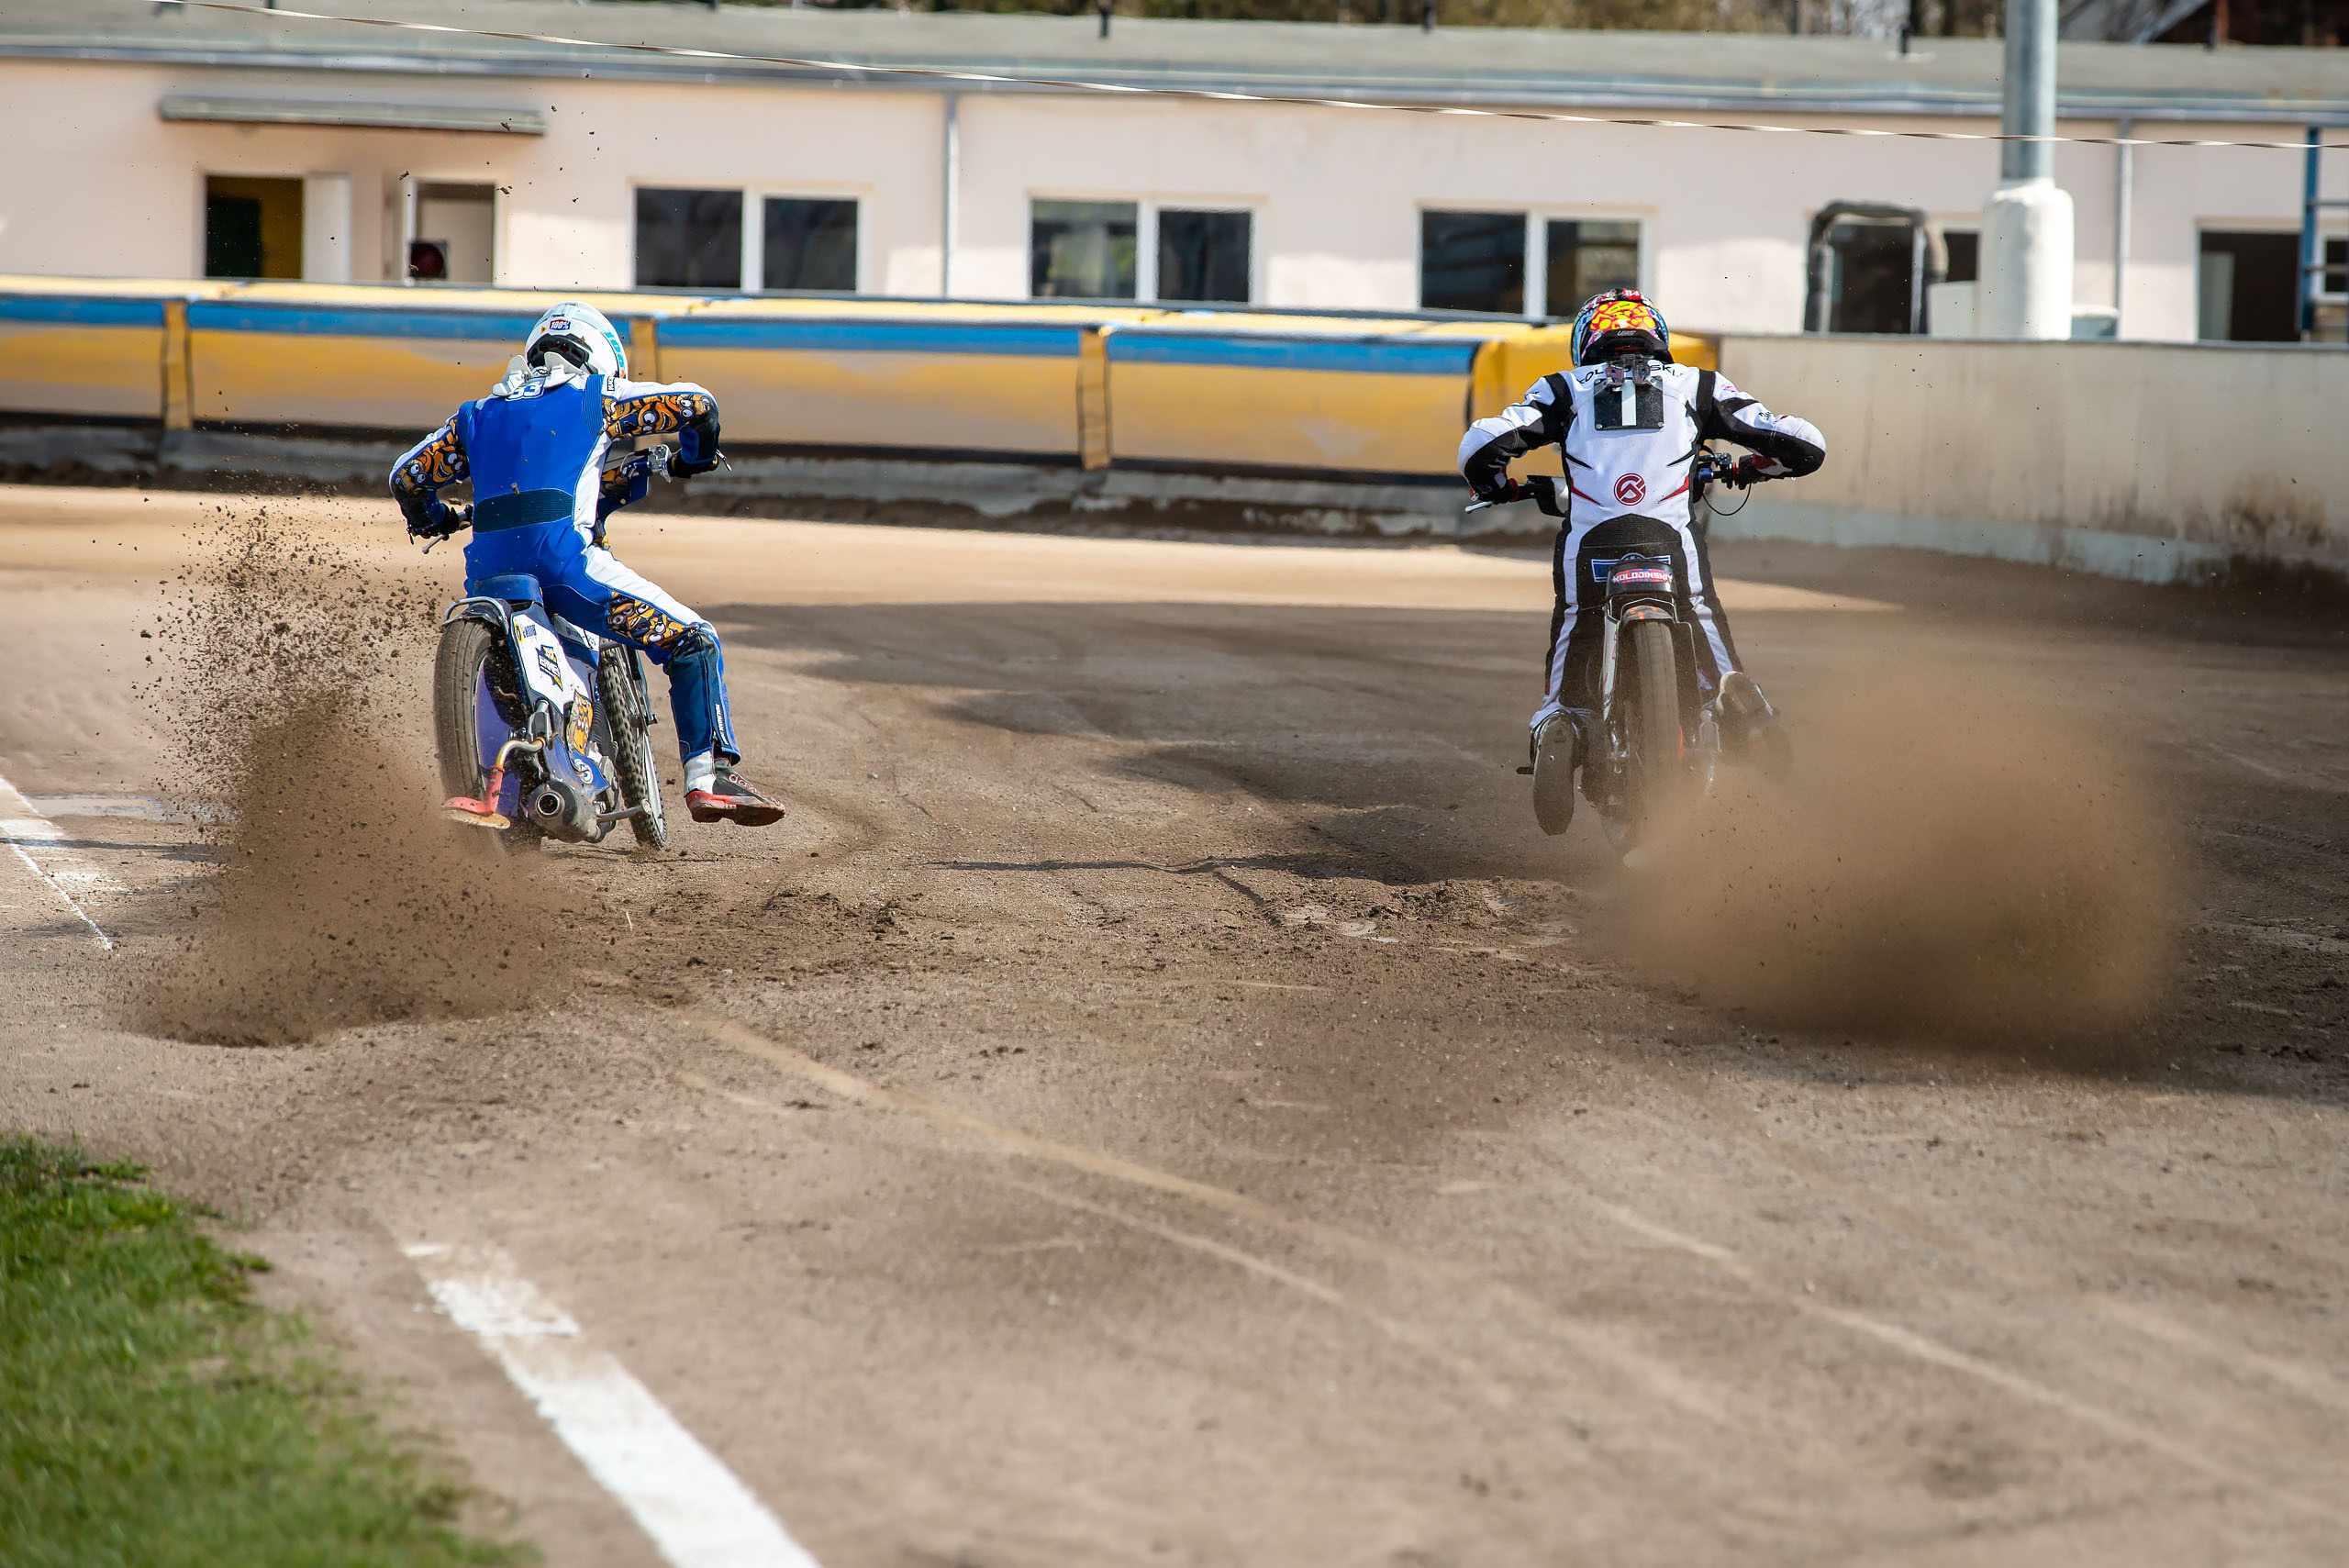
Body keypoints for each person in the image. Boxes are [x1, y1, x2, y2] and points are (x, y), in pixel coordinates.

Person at [390, 302, 784, 826]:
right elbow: (697, 404)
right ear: (603, 359)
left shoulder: (476, 416)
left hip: (486, 573)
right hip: (563, 564)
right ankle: (708, 777)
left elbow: (406, 476)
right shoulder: (596, 397)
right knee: (695, 638)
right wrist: (696, 455)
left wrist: (435, 517)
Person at [1457, 288, 1825, 835]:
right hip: (1669, 545)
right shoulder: (1697, 384)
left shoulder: (1565, 387)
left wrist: (1501, 486)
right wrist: (1750, 470)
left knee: (1577, 622)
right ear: (1658, 337)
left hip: (1594, 547)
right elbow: (1805, 443)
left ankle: (1564, 717)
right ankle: (1733, 693)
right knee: (1698, 607)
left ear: (1586, 341)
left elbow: (1481, 445)